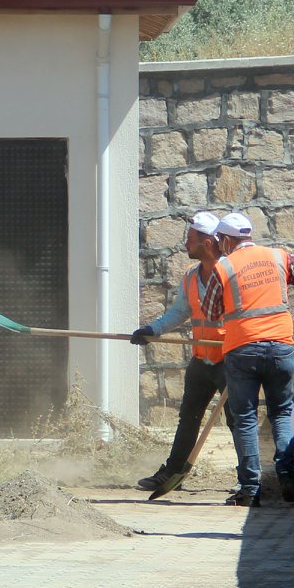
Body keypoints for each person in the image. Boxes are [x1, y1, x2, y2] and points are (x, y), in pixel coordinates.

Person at [209, 210, 294, 507]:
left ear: (225, 240)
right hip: (280, 346)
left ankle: (250, 489)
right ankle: (287, 474)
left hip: (242, 349)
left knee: (245, 418)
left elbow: (212, 312)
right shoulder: (279, 257)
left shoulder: (222, 266)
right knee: (281, 411)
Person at [130, 211, 233, 498]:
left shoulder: (231, 272)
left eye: (190, 239)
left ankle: (247, 479)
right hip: (202, 359)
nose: (185, 244)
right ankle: (173, 471)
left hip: (230, 360)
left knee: (238, 419)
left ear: (208, 242)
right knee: (188, 417)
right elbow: (180, 312)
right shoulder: (190, 277)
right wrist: (153, 329)